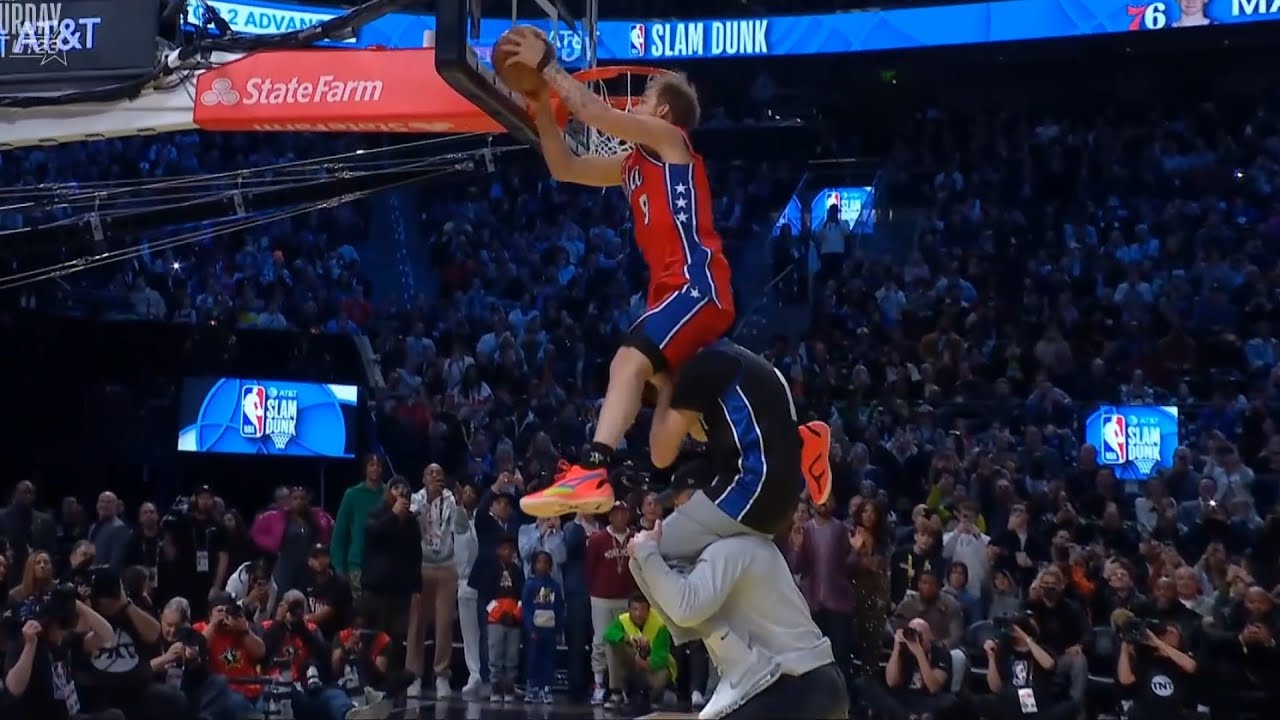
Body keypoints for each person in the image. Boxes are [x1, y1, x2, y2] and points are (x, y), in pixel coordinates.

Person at [507, 27, 737, 518]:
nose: (634, 105)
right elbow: (565, 167)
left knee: (626, 361)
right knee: (663, 444)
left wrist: (547, 65)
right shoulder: (633, 165)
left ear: (664, 113)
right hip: (669, 296)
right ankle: (784, 442)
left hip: (697, 284)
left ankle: (592, 469)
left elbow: (592, 113)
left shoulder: (672, 140)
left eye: (644, 98)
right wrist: (542, 106)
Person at [625, 495, 847, 720]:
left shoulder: (732, 548)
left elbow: (684, 609)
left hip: (795, 683)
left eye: (682, 506)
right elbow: (682, 619)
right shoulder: (748, 546)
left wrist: (647, 552)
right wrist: (641, 560)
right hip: (808, 683)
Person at [628, 339, 833, 562]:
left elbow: (660, 456)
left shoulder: (695, 370)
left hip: (749, 487)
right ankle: (802, 445)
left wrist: (666, 391)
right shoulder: (734, 355)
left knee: (648, 554)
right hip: (782, 496)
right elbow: (702, 433)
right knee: (733, 571)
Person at [3, 584, 122, 720]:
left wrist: (77, 604)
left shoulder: (66, 640)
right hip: (38, 715)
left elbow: (107, 635)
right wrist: (30, 645)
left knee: (115, 715)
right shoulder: (23, 642)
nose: (61, 633)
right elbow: (14, 688)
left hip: (67, 713)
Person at [972, 614, 1079, 720]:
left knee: (1069, 707)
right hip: (1009, 701)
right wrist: (991, 657)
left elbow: (1049, 664)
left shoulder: (1041, 650)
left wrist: (1026, 639)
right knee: (975, 703)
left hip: (1036, 703)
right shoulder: (1004, 652)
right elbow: (995, 688)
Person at [854, 617, 958, 720]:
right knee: (863, 683)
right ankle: (908, 717)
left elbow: (933, 687)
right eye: (911, 632)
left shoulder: (941, 653)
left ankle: (903, 715)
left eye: (920, 633)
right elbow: (892, 683)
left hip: (927, 698)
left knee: (950, 700)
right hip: (902, 697)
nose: (916, 637)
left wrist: (919, 653)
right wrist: (896, 649)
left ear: (930, 636)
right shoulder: (903, 650)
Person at [470, 534, 523, 703]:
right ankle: (495, 687)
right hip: (495, 621)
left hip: (514, 622)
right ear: (498, 550)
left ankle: (509, 688)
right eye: (504, 548)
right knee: (495, 655)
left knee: (512, 655)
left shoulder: (517, 571)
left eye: (511, 549)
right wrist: (500, 614)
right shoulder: (491, 571)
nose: (508, 552)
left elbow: (523, 597)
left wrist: (515, 614)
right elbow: (485, 597)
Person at [602, 593, 675, 713]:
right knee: (611, 644)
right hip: (630, 664)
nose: (638, 614)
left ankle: (654, 697)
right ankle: (616, 693)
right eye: (635, 609)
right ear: (629, 609)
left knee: (663, 674)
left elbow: (662, 656)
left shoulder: (660, 624)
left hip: (650, 666)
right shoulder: (622, 620)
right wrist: (626, 638)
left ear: (649, 610)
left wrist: (647, 663)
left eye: (642, 610)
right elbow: (607, 634)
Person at [521, 550, 564, 705]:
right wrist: (530, 628)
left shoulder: (555, 586)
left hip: (550, 630)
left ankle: (546, 687)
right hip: (535, 631)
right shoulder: (530, 585)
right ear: (533, 565)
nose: (542, 565)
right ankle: (532, 686)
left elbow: (559, 608)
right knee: (533, 659)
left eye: (546, 562)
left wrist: (559, 630)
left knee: (549, 660)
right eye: (539, 562)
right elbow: (526, 608)